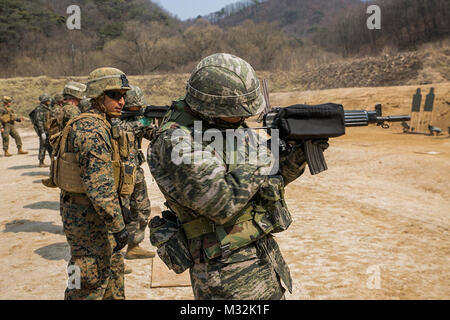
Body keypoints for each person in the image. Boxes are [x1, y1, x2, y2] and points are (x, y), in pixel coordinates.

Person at [148, 53, 328, 300]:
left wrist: (297, 152)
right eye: (239, 112)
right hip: (225, 274)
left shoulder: (226, 126)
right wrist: (267, 152)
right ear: (212, 108)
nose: (245, 119)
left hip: (260, 258)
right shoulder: (176, 142)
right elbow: (222, 204)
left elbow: (263, 181)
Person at [59, 67, 131, 300]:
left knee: (112, 274)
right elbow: (99, 187)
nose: (121, 101)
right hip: (88, 219)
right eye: (115, 95)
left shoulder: (104, 123)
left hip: (98, 216)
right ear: (99, 96)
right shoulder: (91, 129)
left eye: (123, 96)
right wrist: (118, 223)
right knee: (85, 280)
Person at [111, 85, 155, 262]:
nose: (140, 110)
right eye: (137, 107)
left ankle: (134, 246)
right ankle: (114, 257)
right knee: (120, 215)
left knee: (142, 209)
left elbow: (152, 133)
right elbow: (120, 130)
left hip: (135, 172)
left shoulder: (138, 120)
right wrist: (142, 122)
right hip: (119, 176)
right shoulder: (113, 120)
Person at [33, 94, 53, 167]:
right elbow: (39, 121)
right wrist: (42, 132)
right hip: (44, 131)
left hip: (49, 130)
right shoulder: (39, 109)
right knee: (43, 146)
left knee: (51, 146)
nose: (49, 101)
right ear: (44, 101)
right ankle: (41, 162)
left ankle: (53, 161)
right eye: (47, 100)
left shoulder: (48, 107)